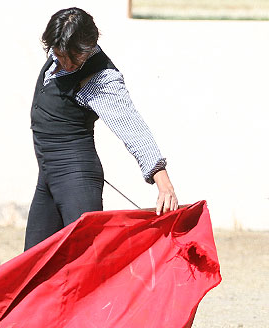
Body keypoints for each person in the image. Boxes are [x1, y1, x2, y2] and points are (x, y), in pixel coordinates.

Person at [25, 7, 178, 250]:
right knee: (33, 264)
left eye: (72, 57)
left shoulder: (101, 78)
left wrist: (163, 180)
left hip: (76, 181)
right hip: (47, 177)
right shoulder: (61, 49)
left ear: (89, 46)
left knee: (83, 265)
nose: (64, 62)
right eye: (58, 53)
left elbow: (132, 127)